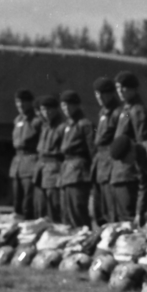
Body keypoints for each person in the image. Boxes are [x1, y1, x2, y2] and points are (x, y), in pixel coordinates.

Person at [110, 70, 147, 223]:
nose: (120, 91)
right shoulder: (125, 110)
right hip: (120, 172)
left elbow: (141, 143)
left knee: (128, 219)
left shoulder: (137, 110)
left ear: (133, 89)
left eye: (124, 87)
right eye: (118, 88)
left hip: (129, 173)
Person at [57, 90, 95, 229]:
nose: (66, 109)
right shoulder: (66, 126)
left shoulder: (85, 124)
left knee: (78, 211)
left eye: (69, 105)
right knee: (66, 212)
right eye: (63, 105)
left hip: (79, 172)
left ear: (77, 105)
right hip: (67, 171)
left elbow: (92, 150)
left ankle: (84, 236)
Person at [91, 77, 121, 226]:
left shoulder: (118, 112)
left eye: (103, 94)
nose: (99, 97)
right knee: (98, 209)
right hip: (100, 164)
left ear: (111, 94)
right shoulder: (103, 112)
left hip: (110, 164)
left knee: (111, 209)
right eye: (97, 94)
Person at [9, 89, 42, 219]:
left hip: (30, 161)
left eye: (23, 102)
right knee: (17, 197)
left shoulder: (37, 121)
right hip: (18, 162)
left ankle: (28, 222)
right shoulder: (17, 120)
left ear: (30, 103)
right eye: (18, 102)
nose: (20, 105)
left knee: (28, 198)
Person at [34, 94, 65, 222]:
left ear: (56, 109)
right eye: (43, 109)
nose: (46, 112)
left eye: (49, 109)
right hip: (42, 170)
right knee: (41, 207)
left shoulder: (61, 127)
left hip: (55, 170)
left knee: (54, 206)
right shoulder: (45, 126)